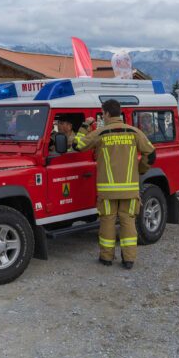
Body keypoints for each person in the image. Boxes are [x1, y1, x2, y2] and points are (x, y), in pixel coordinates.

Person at [73, 99, 155, 270]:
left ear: (107, 114)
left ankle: (106, 258)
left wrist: (84, 126)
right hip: (130, 190)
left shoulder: (101, 133)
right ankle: (129, 260)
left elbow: (77, 145)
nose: (103, 116)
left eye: (103, 113)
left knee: (107, 223)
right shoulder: (134, 132)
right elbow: (151, 154)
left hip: (107, 191)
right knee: (128, 223)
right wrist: (140, 169)